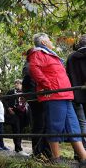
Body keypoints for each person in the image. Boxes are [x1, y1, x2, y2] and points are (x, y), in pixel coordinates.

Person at [28, 33, 86, 166]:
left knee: (73, 126)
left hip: (65, 94)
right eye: (49, 39)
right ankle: (56, 158)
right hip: (54, 95)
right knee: (55, 125)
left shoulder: (50, 53)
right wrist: (48, 85)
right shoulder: (38, 53)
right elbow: (34, 69)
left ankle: (83, 157)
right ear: (43, 42)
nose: (51, 40)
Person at [22, 49, 52, 159]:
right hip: (36, 99)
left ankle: (45, 151)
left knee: (43, 125)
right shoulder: (29, 65)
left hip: (37, 98)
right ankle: (37, 152)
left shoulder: (30, 64)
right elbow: (27, 82)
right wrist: (32, 94)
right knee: (39, 125)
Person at [66, 34, 86, 158]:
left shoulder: (71, 57)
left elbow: (67, 75)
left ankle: (79, 152)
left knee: (79, 123)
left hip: (75, 94)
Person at [4, 79, 30, 156]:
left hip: (23, 114)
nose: (17, 84)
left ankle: (18, 148)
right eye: (16, 83)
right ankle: (18, 148)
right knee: (16, 130)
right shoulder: (11, 91)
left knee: (20, 130)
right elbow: (4, 100)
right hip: (14, 113)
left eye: (19, 83)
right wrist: (8, 108)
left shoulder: (25, 91)